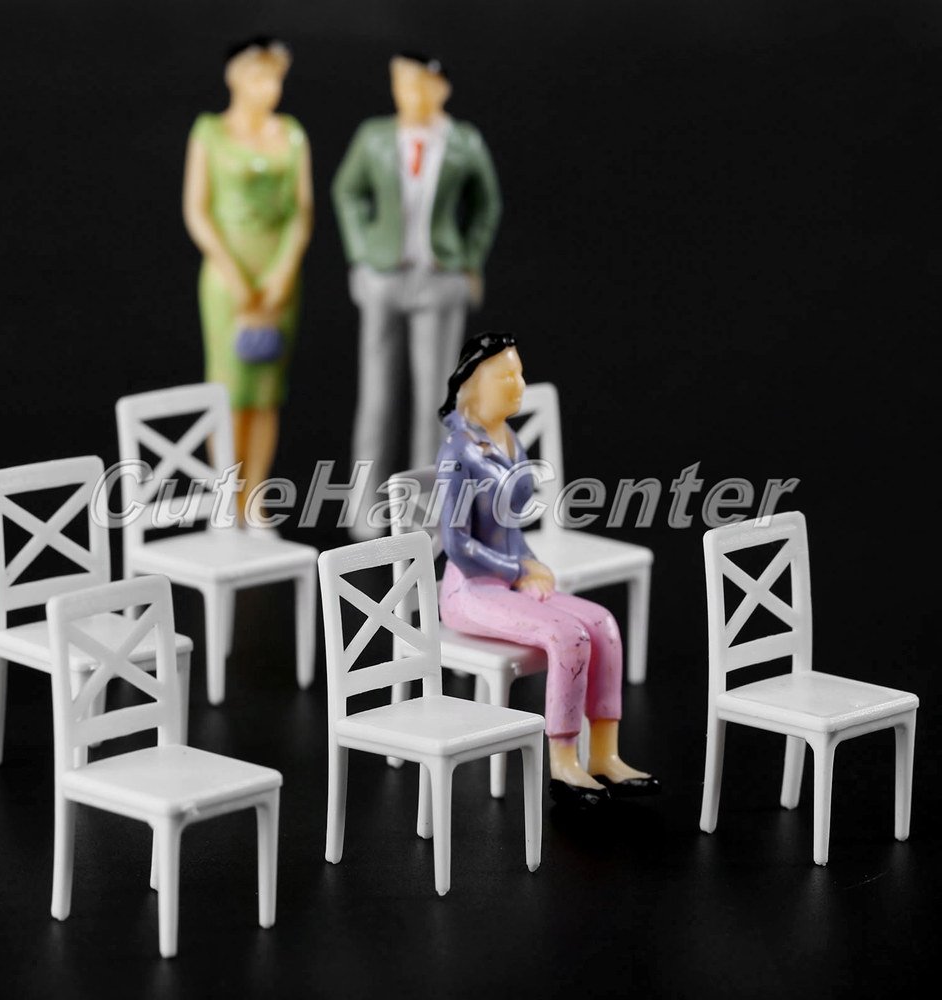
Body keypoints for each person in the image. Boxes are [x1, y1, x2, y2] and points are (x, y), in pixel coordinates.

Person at [436, 333, 659, 809]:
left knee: (603, 625)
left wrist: (529, 564)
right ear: (474, 386)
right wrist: (517, 567)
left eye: (519, 373)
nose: (519, 384)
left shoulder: (509, 439)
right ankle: (564, 762)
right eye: (506, 376)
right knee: (568, 635)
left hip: (510, 578)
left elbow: (508, 525)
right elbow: (456, 543)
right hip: (470, 588)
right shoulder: (458, 452)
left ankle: (605, 755)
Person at [332, 52, 502, 540]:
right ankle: (364, 507)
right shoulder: (373, 137)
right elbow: (347, 191)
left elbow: (487, 204)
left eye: (420, 84)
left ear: (441, 88)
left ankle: (426, 514)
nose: (409, 94)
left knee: (436, 398)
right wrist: (361, 255)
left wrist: (469, 260)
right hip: (385, 275)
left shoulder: (464, 141)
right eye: (401, 83)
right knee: (376, 395)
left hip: (438, 275)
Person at [183, 37, 313, 524]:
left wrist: (283, 269)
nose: (270, 87)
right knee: (229, 388)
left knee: (266, 393)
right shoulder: (210, 133)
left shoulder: (292, 135)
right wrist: (233, 274)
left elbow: (301, 212)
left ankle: (255, 496)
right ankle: (225, 493)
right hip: (227, 279)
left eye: (276, 77)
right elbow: (197, 210)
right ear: (234, 77)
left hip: (279, 281)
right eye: (260, 75)